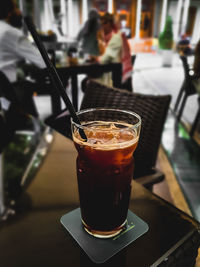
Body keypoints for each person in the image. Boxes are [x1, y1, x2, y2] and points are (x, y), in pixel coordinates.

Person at [0, 0, 45, 117]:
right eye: (16, 8)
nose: (19, 11)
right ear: (9, 13)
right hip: (11, 90)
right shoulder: (9, 32)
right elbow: (42, 61)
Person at [96, 12, 132, 88]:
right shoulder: (108, 37)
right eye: (100, 25)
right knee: (88, 82)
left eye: (103, 24)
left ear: (110, 24)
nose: (101, 27)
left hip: (117, 78)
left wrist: (95, 58)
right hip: (113, 72)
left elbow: (104, 59)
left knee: (88, 83)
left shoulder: (116, 37)